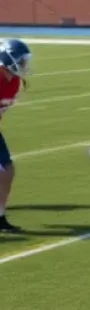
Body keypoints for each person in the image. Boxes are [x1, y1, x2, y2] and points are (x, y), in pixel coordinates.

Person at [0, 39, 31, 234]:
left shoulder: (15, 81)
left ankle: (0, 216)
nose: (24, 64)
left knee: (8, 170)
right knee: (5, 171)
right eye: (21, 61)